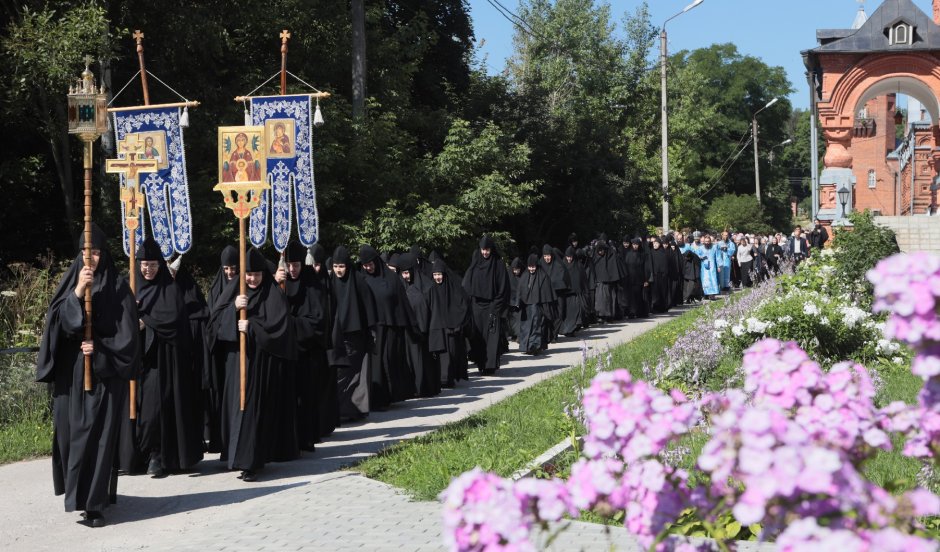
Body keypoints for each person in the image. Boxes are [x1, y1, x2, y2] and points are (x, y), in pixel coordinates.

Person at [36, 224, 139, 527]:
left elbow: (129, 338)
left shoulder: (119, 287)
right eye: (85, 251)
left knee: (98, 440)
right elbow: (56, 326)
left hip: (105, 377)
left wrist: (100, 348)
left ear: (103, 254)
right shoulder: (71, 282)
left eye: (95, 252)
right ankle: (79, 494)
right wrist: (79, 292)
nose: (90, 257)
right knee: (72, 438)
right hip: (72, 377)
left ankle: (94, 505)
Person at [208, 248, 298, 482]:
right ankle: (235, 455)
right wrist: (233, 310)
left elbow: (281, 328)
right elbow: (213, 326)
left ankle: (252, 462)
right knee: (235, 410)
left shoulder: (273, 294)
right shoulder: (234, 293)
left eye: (257, 274)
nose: (252, 279)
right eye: (248, 275)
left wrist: (253, 329)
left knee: (253, 413)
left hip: (260, 366)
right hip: (236, 364)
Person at [132, 238, 203, 477]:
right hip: (136, 359)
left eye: (152, 264)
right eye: (144, 264)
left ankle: (159, 455)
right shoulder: (130, 287)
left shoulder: (170, 290)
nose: (148, 269)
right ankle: (137, 455)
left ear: (160, 266)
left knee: (158, 408)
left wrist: (146, 321)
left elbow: (172, 320)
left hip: (165, 361)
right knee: (136, 408)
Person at [278, 241, 329, 452]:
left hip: (307, 353)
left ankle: (307, 439)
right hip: (286, 354)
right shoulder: (280, 285)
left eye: (296, 265)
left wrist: (290, 323)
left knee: (307, 398)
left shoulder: (313, 286)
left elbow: (317, 320)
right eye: (289, 265)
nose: (292, 270)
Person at [359, 245, 416, 408]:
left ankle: (390, 395)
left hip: (391, 327)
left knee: (388, 360)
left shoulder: (391, 278)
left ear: (376, 261)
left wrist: (410, 325)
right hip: (372, 327)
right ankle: (376, 398)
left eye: (370, 263)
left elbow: (401, 303)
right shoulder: (362, 279)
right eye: (365, 265)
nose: (368, 267)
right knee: (374, 364)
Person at [328, 246, 376, 421]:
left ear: (347, 266)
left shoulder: (359, 282)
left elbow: (368, 308)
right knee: (339, 375)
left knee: (354, 373)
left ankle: (351, 410)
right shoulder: (329, 283)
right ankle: (341, 409)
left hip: (355, 337)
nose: (339, 270)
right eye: (336, 266)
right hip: (334, 337)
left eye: (342, 266)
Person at [462, 236, 510, 374]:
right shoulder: (475, 263)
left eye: (487, 250)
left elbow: (503, 287)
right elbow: (467, 284)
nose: (485, 253)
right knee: (478, 337)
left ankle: (490, 365)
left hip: (492, 306)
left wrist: (497, 306)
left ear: (491, 249)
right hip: (476, 306)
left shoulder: (498, 264)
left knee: (491, 338)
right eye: (483, 250)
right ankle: (480, 362)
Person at [397, 252, 439, 398]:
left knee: (423, 361)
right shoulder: (400, 286)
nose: (405, 276)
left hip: (424, 332)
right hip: (407, 331)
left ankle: (424, 387)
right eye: (402, 273)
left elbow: (434, 311)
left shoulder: (427, 287)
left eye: (407, 273)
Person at [309, 243, 338, 438]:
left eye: (318, 264)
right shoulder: (304, 286)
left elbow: (334, 317)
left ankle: (325, 425)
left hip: (326, 345)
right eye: (312, 264)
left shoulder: (328, 287)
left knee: (325, 388)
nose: (315, 269)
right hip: (310, 346)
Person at [426, 258, 470, 387]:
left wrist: (456, 323)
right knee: (439, 355)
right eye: (435, 275)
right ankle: (441, 378)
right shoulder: (431, 289)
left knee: (451, 354)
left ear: (444, 274)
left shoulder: (453, 288)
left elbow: (462, 305)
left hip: (451, 329)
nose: (437, 277)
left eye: (439, 274)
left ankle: (448, 378)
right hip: (436, 327)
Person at [516, 254, 557, 355]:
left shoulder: (543, 276)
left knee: (536, 326)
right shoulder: (525, 275)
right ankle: (526, 346)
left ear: (537, 266)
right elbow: (520, 290)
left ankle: (535, 347)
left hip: (538, 306)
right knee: (525, 327)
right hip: (526, 307)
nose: (531, 269)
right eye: (529, 266)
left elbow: (546, 292)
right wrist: (518, 302)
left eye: (533, 266)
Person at [539, 244, 571, 339]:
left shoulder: (559, 265)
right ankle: (549, 335)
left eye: (548, 255)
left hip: (558, 295)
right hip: (546, 296)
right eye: (545, 256)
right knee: (548, 315)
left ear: (552, 255)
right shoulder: (540, 265)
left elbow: (563, 280)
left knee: (559, 315)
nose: (546, 258)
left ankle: (554, 334)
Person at [591, 240, 622, 321]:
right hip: (599, 283)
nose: (601, 252)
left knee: (609, 299)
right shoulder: (595, 257)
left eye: (602, 250)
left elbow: (613, 269)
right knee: (600, 300)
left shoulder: (610, 257)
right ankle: (600, 316)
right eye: (599, 250)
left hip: (609, 283)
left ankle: (608, 316)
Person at [622, 238, 651, 318]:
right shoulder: (628, 254)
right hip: (630, 279)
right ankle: (631, 312)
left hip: (640, 279)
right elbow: (625, 266)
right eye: (634, 244)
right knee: (631, 297)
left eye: (636, 244)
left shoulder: (643, 255)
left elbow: (646, 268)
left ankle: (639, 312)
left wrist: (646, 279)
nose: (635, 246)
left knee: (639, 296)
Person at [563, 246, 589, 332]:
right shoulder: (563, 265)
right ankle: (569, 329)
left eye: (570, 257)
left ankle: (574, 328)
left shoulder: (578, 265)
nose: (569, 258)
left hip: (577, 294)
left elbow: (584, 280)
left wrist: (585, 292)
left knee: (577, 312)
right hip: (566, 294)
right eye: (567, 257)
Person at [647, 236, 672, 313]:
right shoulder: (651, 252)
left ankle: (663, 307)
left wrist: (665, 273)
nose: (655, 245)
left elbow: (667, 265)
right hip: (654, 275)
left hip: (663, 276)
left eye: (656, 243)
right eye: (654, 243)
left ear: (659, 244)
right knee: (655, 292)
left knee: (663, 291)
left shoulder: (664, 252)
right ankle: (655, 307)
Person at [506, 257, 524, 341]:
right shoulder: (509, 276)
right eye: (514, 269)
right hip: (510, 301)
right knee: (511, 320)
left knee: (518, 319)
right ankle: (513, 334)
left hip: (520, 301)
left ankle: (519, 336)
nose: (516, 271)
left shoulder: (524, 276)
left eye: (517, 269)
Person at [698, 234, 720, 299]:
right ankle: (705, 294)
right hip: (704, 267)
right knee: (705, 280)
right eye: (706, 241)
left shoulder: (714, 247)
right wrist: (701, 257)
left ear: (710, 241)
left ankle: (712, 295)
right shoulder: (700, 248)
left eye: (708, 241)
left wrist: (719, 266)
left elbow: (718, 257)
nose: (707, 243)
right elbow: (697, 255)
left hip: (712, 267)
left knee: (713, 279)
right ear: (704, 242)